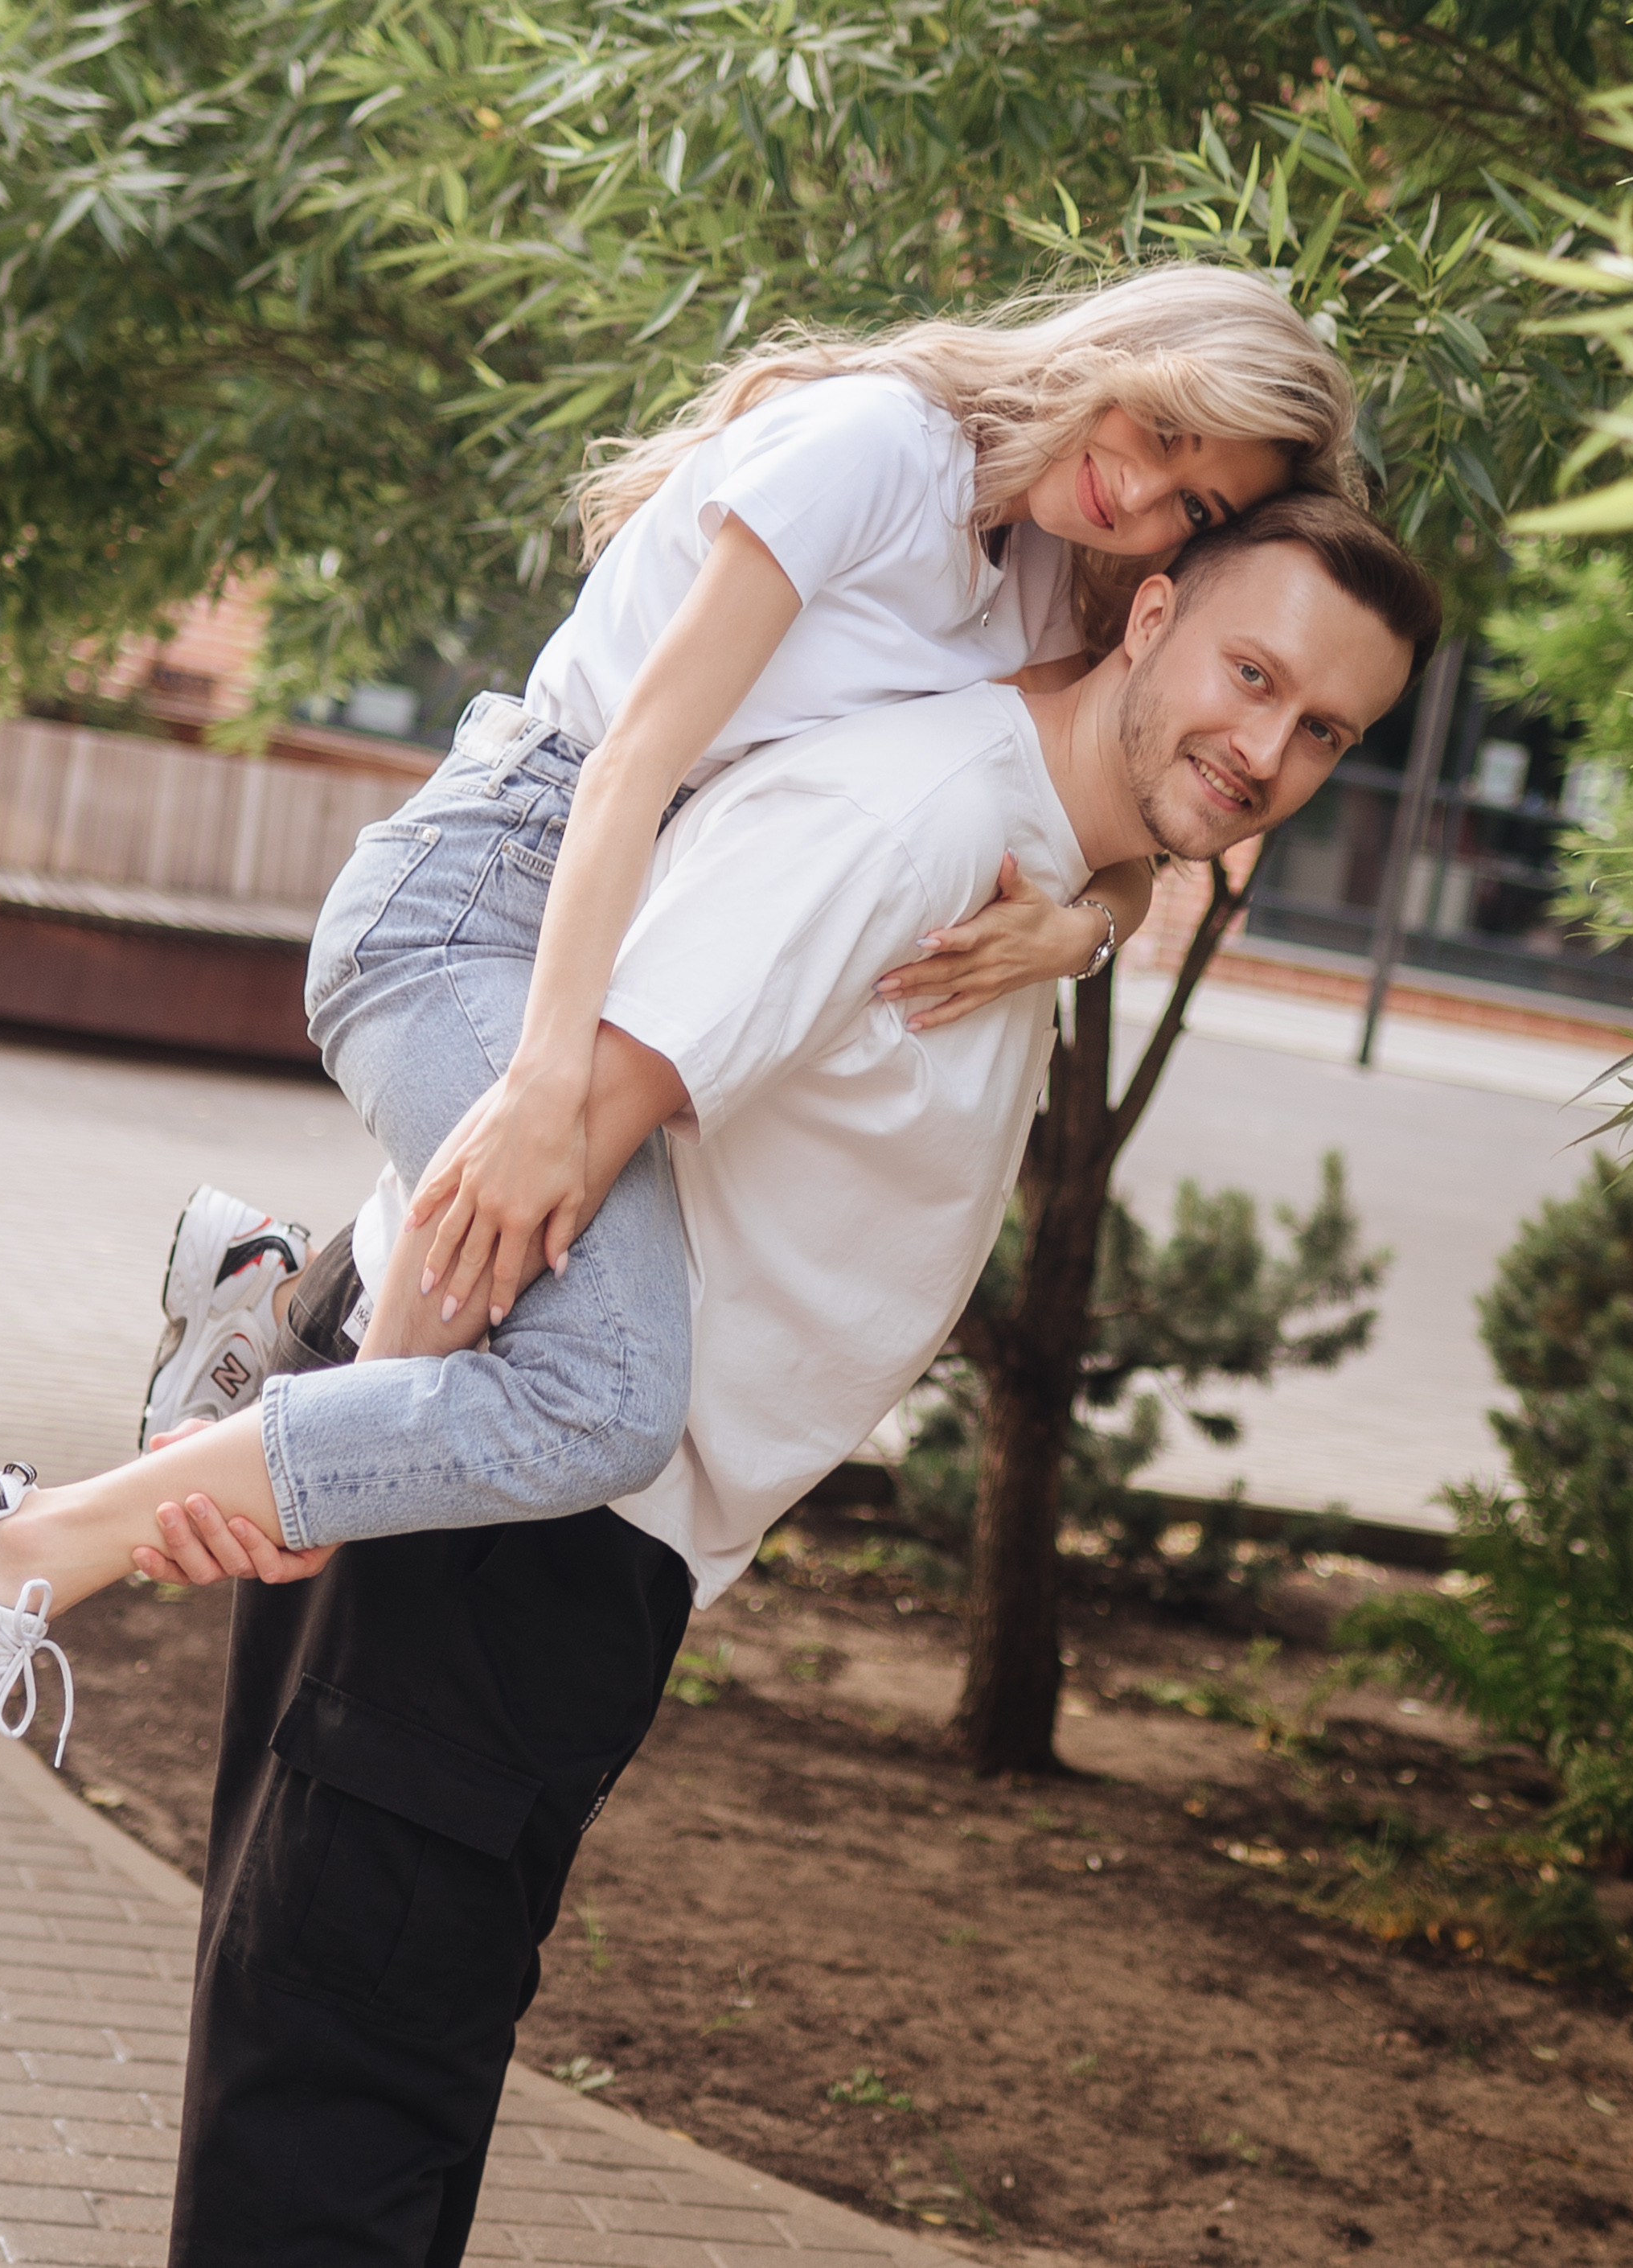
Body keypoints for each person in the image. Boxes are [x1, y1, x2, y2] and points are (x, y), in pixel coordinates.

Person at [0, 499, 1431, 1901]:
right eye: (1251, 676)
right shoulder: (896, 501)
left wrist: (1095, 915)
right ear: (1148, 607)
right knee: (592, 1394)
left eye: (1323, 732)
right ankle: (17, 1540)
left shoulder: (1030, 666)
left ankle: (268, 1296)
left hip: (593, 1542)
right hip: (478, 941)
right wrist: (350, 1453)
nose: (1269, 751)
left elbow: (1122, 771)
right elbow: (545, 1143)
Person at [133, 265, 1356, 1480]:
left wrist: (1079, 931)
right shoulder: (877, 447)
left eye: (1194, 510)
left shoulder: (1047, 573)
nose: (1142, 492)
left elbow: (1125, 836)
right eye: (1165, 429)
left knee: (526, 1274)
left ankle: (265, 1312)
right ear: (1120, 355)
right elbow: (630, 762)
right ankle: (71, 1521)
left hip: (652, 903)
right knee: (598, 1370)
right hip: (493, 881)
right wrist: (543, 1083)